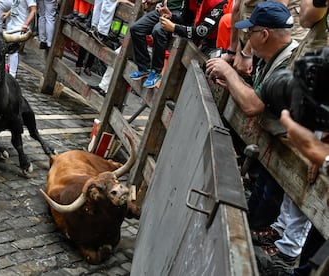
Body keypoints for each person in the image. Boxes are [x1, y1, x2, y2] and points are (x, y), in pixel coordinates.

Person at [206, 2, 312, 274]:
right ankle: (277, 234)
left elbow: (254, 105)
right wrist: (233, 75)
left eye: (250, 33)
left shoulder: (289, 62)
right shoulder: (274, 57)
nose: (248, 41)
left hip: (305, 145)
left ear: (264, 35)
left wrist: (229, 73)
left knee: (302, 199)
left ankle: (287, 253)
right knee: (278, 191)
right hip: (284, 144)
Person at [129, 0, 184, 89]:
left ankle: (156, 71)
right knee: (136, 29)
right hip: (162, 9)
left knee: (158, 31)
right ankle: (144, 68)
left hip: (178, 13)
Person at [159, 0, 229, 56]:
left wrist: (174, 27)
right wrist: (171, 16)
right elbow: (186, 20)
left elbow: (201, 32)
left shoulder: (219, 3)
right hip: (200, 39)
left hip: (216, 45)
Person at [2, 0, 37, 78]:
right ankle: (9, 66)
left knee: (13, 50)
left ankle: (12, 74)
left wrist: (26, 24)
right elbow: (15, 5)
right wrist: (8, 13)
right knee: (8, 48)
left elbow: (33, 10)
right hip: (12, 23)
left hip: (20, 25)